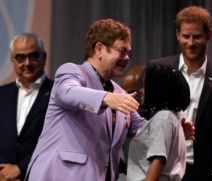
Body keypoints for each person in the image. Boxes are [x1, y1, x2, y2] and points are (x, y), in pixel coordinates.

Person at [25, 19, 194, 181]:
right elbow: (67, 92)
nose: (127, 58)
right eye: (122, 50)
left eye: (129, 53)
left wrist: (174, 130)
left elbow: (144, 130)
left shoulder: (118, 93)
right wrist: (106, 98)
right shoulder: (72, 72)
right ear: (99, 49)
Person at [149, 6, 212, 181]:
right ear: (177, 35)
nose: (190, 42)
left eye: (197, 36)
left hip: (200, 172)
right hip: (159, 169)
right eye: (186, 36)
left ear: (208, 35)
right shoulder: (157, 70)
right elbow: (142, 119)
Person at [0, 32, 53, 181]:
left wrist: (20, 168)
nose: (27, 63)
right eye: (20, 58)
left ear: (44, 58)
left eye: (33, 56)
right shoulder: (2, 94)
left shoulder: (58, 94)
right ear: (12, 61)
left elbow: (57, 141)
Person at [126, 64, 191, 181]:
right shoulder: (170, 117)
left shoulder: (162, 118)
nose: (141, 90)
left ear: (158, 89)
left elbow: (159, 160)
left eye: (145, 86)